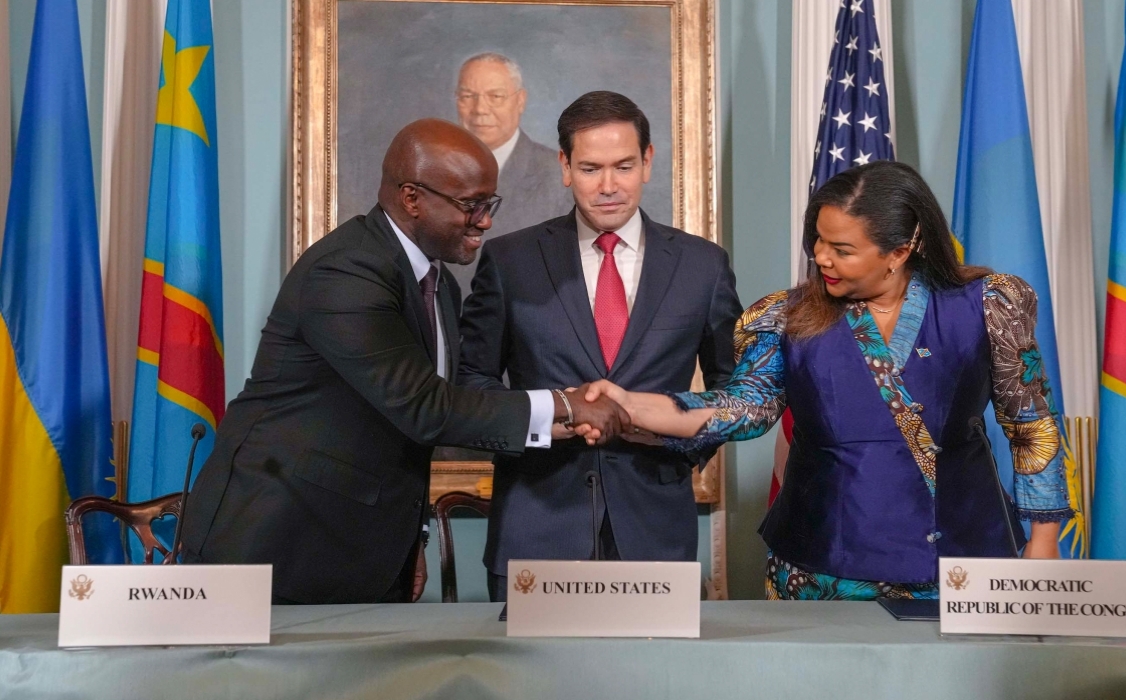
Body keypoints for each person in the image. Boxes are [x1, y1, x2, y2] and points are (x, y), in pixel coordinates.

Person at [180, 119, 629, 605]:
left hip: (367, 545)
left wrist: (406, 537)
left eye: (489, 204)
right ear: (412, 199)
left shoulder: (441, 287)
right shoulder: (346, 271)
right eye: (471, 206)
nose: (485, 221)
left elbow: (417, 427)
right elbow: (424, 407)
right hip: (278, 539)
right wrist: (567, 407)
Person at [579, 161, 1073, 600]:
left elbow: (1030, 423)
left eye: (842, 249)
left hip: (964, 562)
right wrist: (630, 405)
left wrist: (1044, 539)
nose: (821, 258)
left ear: (899, 251)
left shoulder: (989, 303)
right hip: (823, 568)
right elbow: (742, 408)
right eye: (817, 239)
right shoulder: (785, 316)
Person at [457, 91, 743, 602]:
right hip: (534, 530)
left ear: (648, 162)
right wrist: (559, 418)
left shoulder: (704, 266)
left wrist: (670, 439)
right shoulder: (509, 261)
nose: (608, 186)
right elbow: (471, 385)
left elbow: (734, 394)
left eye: (624, 166)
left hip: (656, 534)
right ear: (565, 166)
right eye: (590, 168)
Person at [449, 52, 572, 290]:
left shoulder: (559, 176)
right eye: (467, 96)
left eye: (495, 96)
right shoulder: (437, 171)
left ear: (520, 101)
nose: (480, 109)